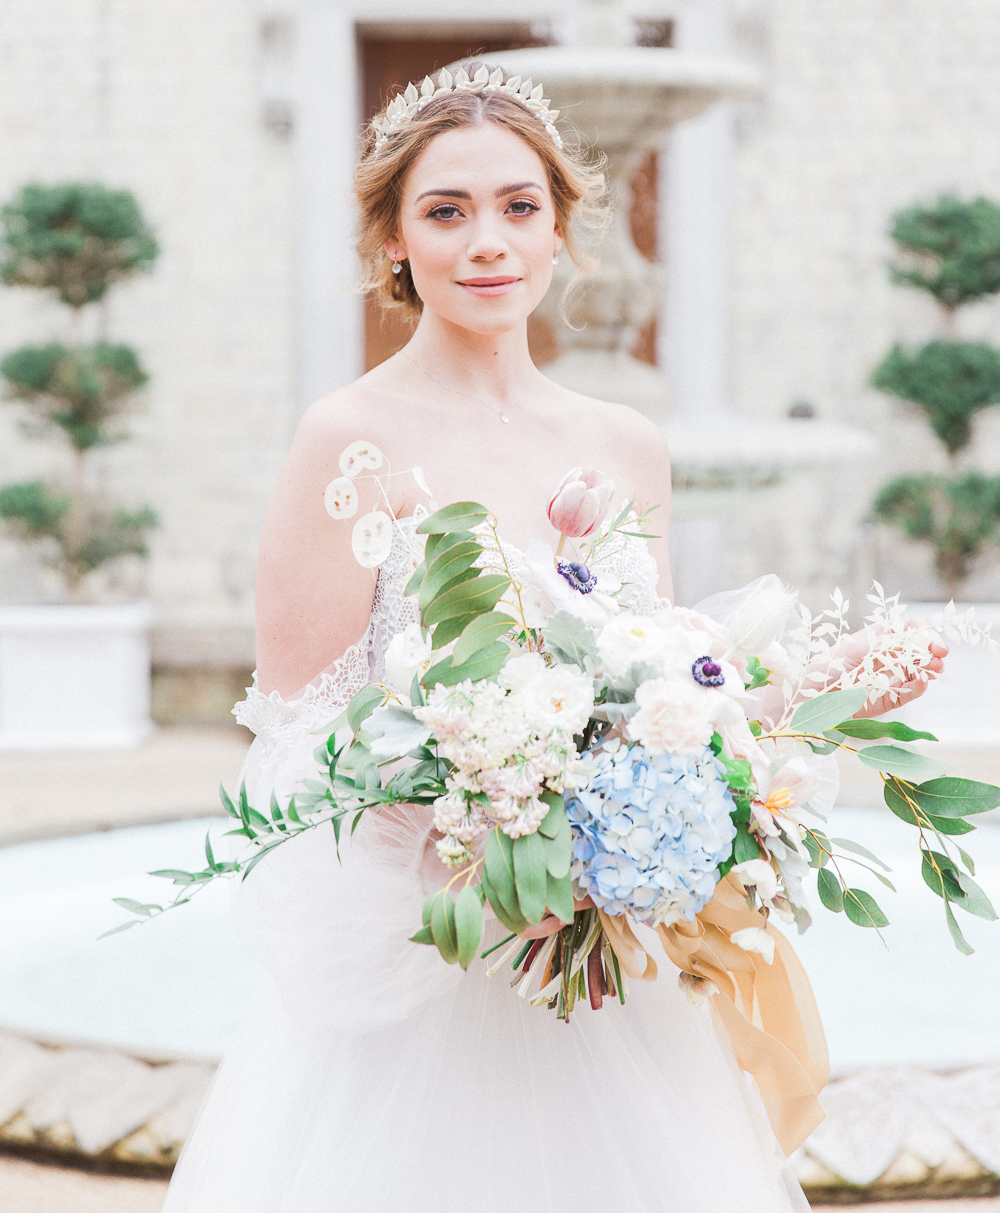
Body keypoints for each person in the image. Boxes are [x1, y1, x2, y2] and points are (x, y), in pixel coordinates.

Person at [163, 68, 944, 1212]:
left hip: (600, 974)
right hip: (434, 962)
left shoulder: (626, 444)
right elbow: (296, 744)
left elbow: (665, 687)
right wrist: (479, 808)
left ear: (563, 228)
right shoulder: (350, 439)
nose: (488, 242)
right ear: (392, 239)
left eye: (518, 207)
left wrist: (814, 694)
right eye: (446, 211)